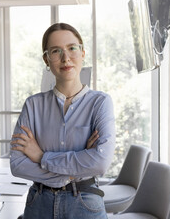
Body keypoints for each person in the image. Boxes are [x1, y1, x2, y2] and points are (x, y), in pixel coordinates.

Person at [10, 22, 116, 219]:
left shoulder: (100, 103)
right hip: (39, 203)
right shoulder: (33, 106)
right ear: (46, 59)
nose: (66, 58)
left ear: (82, 53)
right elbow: (17, 164)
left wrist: (42, 157)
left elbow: (100, 163)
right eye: (56, 51)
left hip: (85, 203)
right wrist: (76, 167)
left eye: (72, 48)